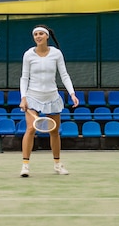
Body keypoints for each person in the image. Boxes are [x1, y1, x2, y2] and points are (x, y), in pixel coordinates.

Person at [18, 24, 79, 177]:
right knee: (31, 129)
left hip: (52, 97)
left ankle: (57, 165)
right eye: (35, 34)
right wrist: (23, 98)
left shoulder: (56, 54)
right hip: (32, 97)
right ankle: (25, 166)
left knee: (54, 132)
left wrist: (72, 94)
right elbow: (24, 77)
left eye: (40, 34)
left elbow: (64, 75)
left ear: (46, 36)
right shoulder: (28, 55)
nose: (38, 36)